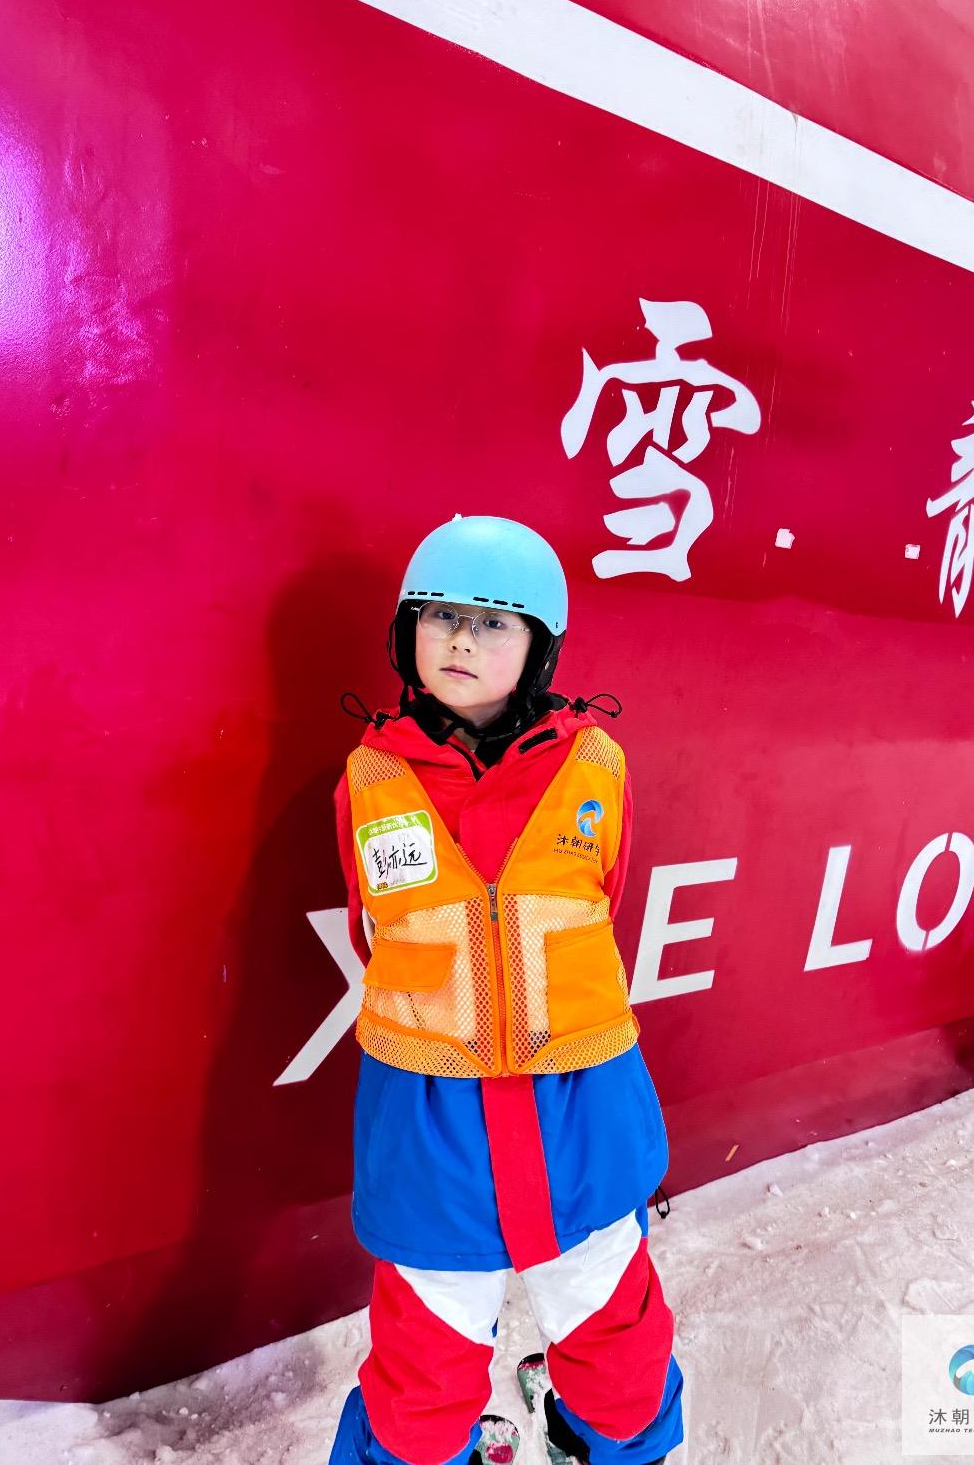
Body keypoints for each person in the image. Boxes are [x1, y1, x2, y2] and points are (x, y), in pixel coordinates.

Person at [328, 515, 685, 1465]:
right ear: (405, 631)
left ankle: (613, 1445)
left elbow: (603, 894)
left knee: (615, 1337)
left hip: (579, 1104)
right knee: (424, 1362)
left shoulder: (595, 764)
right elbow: (371, 927)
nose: (460, 640)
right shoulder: (370, 776)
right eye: (439, 615)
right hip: (431, 1117)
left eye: (493, 622)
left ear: (539, 648)